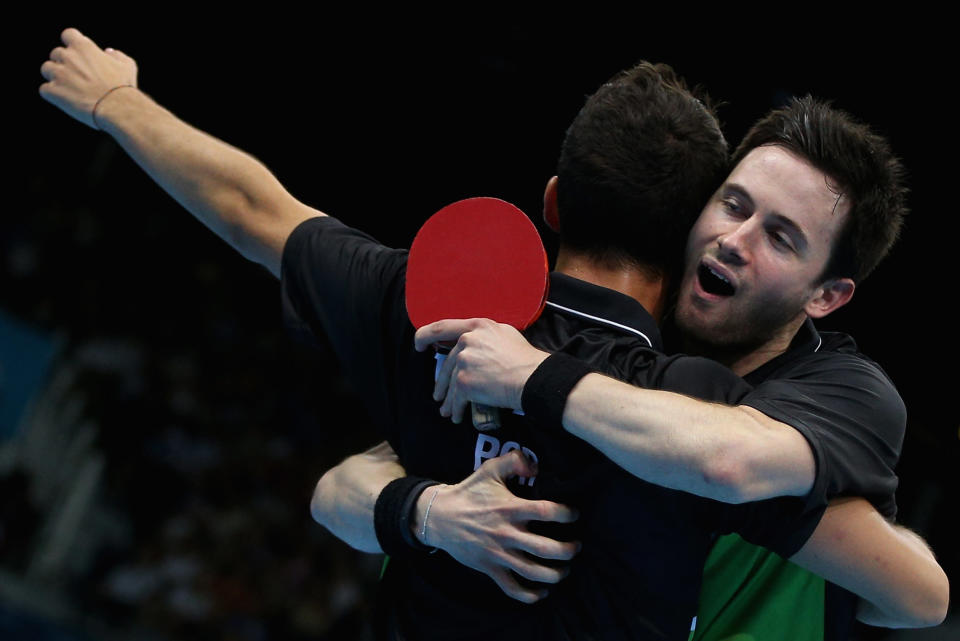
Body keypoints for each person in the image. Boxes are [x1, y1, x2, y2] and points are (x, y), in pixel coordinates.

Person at [38, 28, 947, 641]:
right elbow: (340, 488)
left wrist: (532, 379)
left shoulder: (813, 401)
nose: (736, 240)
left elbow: (911, 585)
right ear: (684, 225)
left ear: (828, 296)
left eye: (779, 237)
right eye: (734, 206)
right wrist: (425, 511)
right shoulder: (486, 337)